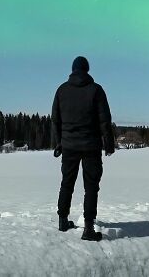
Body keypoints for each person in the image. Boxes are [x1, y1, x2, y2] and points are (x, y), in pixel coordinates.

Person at [51, 56, 115, 241]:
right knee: (91, 187)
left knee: (66, 183)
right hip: (91, 146)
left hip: (69, 146)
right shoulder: (96, 90)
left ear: (73, 70)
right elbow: (105, 120)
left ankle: (63, 220)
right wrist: (109, 145)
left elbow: (55, 120)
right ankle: (88, 228)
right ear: (87, 69)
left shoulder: (61, 90)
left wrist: (57, 143)